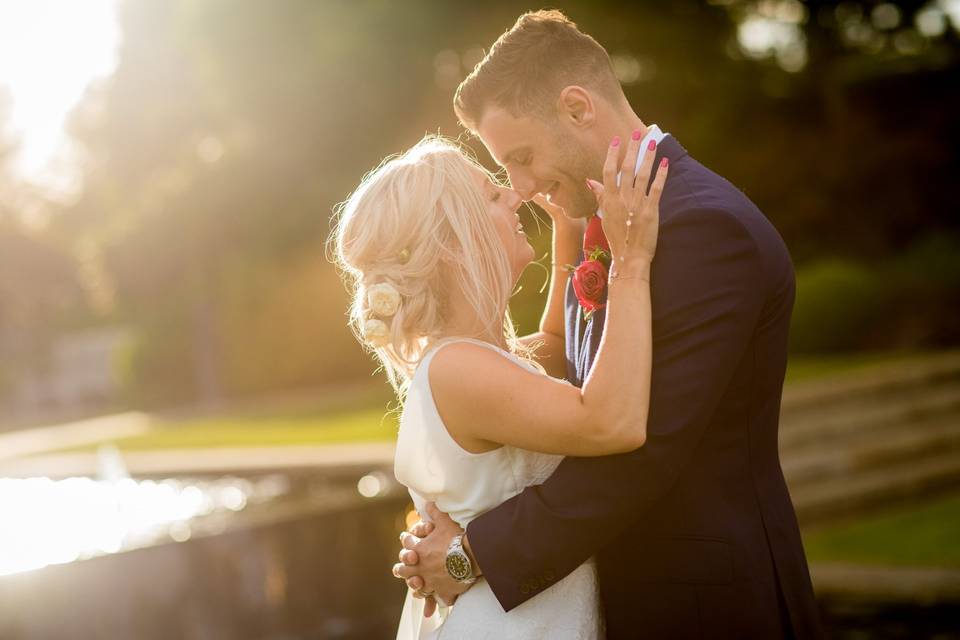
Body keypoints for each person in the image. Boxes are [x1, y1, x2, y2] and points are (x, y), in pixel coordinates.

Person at [392, 10, 824, 639]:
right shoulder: (619, 225)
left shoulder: (700, 227)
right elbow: (568, 375)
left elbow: (640, 448)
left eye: (521, 156)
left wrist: (473, 553)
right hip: (626, 598)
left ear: (576, 107)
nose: (520, 186)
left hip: (706, 606)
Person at [332, 130, 666, 638]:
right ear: (451, 243)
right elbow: (608, 421)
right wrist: (631, 264)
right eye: (491, 195)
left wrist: (569, 229)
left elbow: (556, 345)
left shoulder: (471, 357)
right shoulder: (458, 369)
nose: (514, 194)